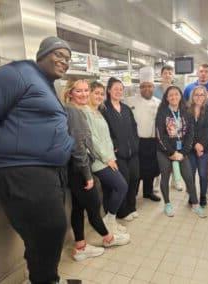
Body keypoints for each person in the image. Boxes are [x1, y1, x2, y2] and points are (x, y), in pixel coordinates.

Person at [0, 36, 75, 284]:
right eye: (58, 55)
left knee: (42, 233)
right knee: (51, 229)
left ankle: (37, 276)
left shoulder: (45, 84)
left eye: (67, 58)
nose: (64, 62)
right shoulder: (16, 73)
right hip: (19, 168)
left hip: (44, 170)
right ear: (42, 55)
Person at [63, 79, 130, 262]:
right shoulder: (76, 112)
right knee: (94, 206)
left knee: (78, 207)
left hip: (78, 167)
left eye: (86, 90)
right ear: (70, 93)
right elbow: (81, 146)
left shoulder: (87, 110)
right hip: (79, 168)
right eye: (80, 91)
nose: (85, 94)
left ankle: (80, 247)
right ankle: (108, 237)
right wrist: (88, 173)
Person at [82, 81, 129, 234]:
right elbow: (92, 140)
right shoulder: (86, 112)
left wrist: (112, 156)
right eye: (96, 93)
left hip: (108, 158)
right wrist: (106, 158)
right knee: (121, 186)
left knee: (115, 188)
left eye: (101, 94)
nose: (99, 96)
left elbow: (107, 138)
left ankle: (111, 220)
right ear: (89, 94)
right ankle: (109, 219)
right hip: (98, 161)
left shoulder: (98, 111)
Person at [155, 85, 207, 218]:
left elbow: (190, 134)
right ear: (167, 98)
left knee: (189, 176)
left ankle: (195, 204)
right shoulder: (162, 112)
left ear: (180, 96)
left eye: (176, 94)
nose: (174, 97)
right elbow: (160, 135)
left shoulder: (186, 112)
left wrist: (183, 152)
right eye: (170, 95)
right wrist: (171, 152)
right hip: (164, 151)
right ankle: (167, 204)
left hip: (182, 151)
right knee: (165, 177)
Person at [101, 77, 140, 221]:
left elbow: (134, 128)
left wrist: (135, 144)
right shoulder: (104, 108)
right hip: (118, 154)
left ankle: (132, 207)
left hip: (133, 152)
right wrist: (114, 146)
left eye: (121, 89)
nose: (118, 91)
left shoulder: (126, 108)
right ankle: (122, 212)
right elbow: (104, 132)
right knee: (124, 181)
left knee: (135, 179)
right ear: (109, 90)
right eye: (115, 88)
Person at [125, 67, 161, 202]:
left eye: (149, 86)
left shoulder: (158, 103)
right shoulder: (130, 101)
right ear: (139, 88)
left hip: (152, 141)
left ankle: (148, 192)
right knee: (136, 170)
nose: (146, 89)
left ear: (153, 87)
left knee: (151, 168)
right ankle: (132, 193)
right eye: (143, 86)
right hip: (136, 141)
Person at [187, 86, 208, 207]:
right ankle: (192, 196)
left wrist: (201, 146)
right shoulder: (187, 109)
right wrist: (195, 145)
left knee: (203, 174)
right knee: (190, 174)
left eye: (201, 95)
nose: (199, 97)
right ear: (192, 96)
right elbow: (186, 130)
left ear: (205, 96)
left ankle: (203, 196)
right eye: (196, 95)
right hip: (190, 148)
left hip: (204, 149)